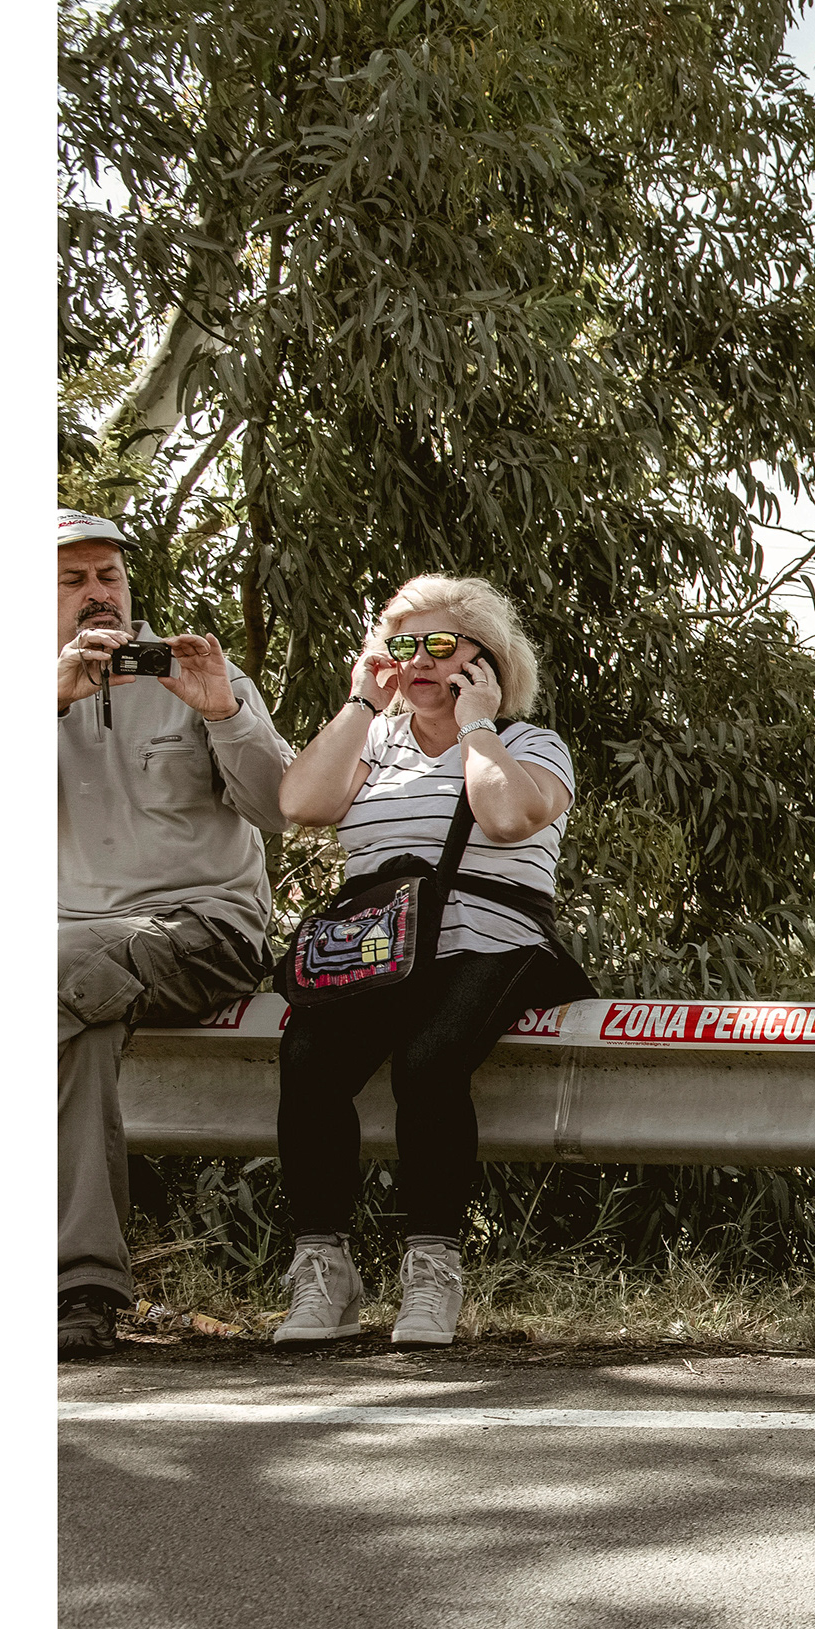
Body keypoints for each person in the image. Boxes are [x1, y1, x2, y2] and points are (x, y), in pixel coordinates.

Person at [268, 576, 589, 1346]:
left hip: (494, 937)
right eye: (402, 644)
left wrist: (477, 725)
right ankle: (323, 1272)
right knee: (308, 1059)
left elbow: (506, 817)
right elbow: (301, 805)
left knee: (429, 1061)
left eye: (440, 645)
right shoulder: (375, 743)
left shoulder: (530, 745)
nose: (417, 660)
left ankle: (432, 1270)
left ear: (486, 660)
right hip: (380, 944)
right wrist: (360, 703)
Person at [59, 508, 299, 1357]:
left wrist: (224, 712)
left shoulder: (197, 674)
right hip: (73, 957)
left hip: (206, 930)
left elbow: (281, 808)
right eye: (72, 580)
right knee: (79, 1033)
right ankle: (82, 1293)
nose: (98, 593)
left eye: (110, 576)